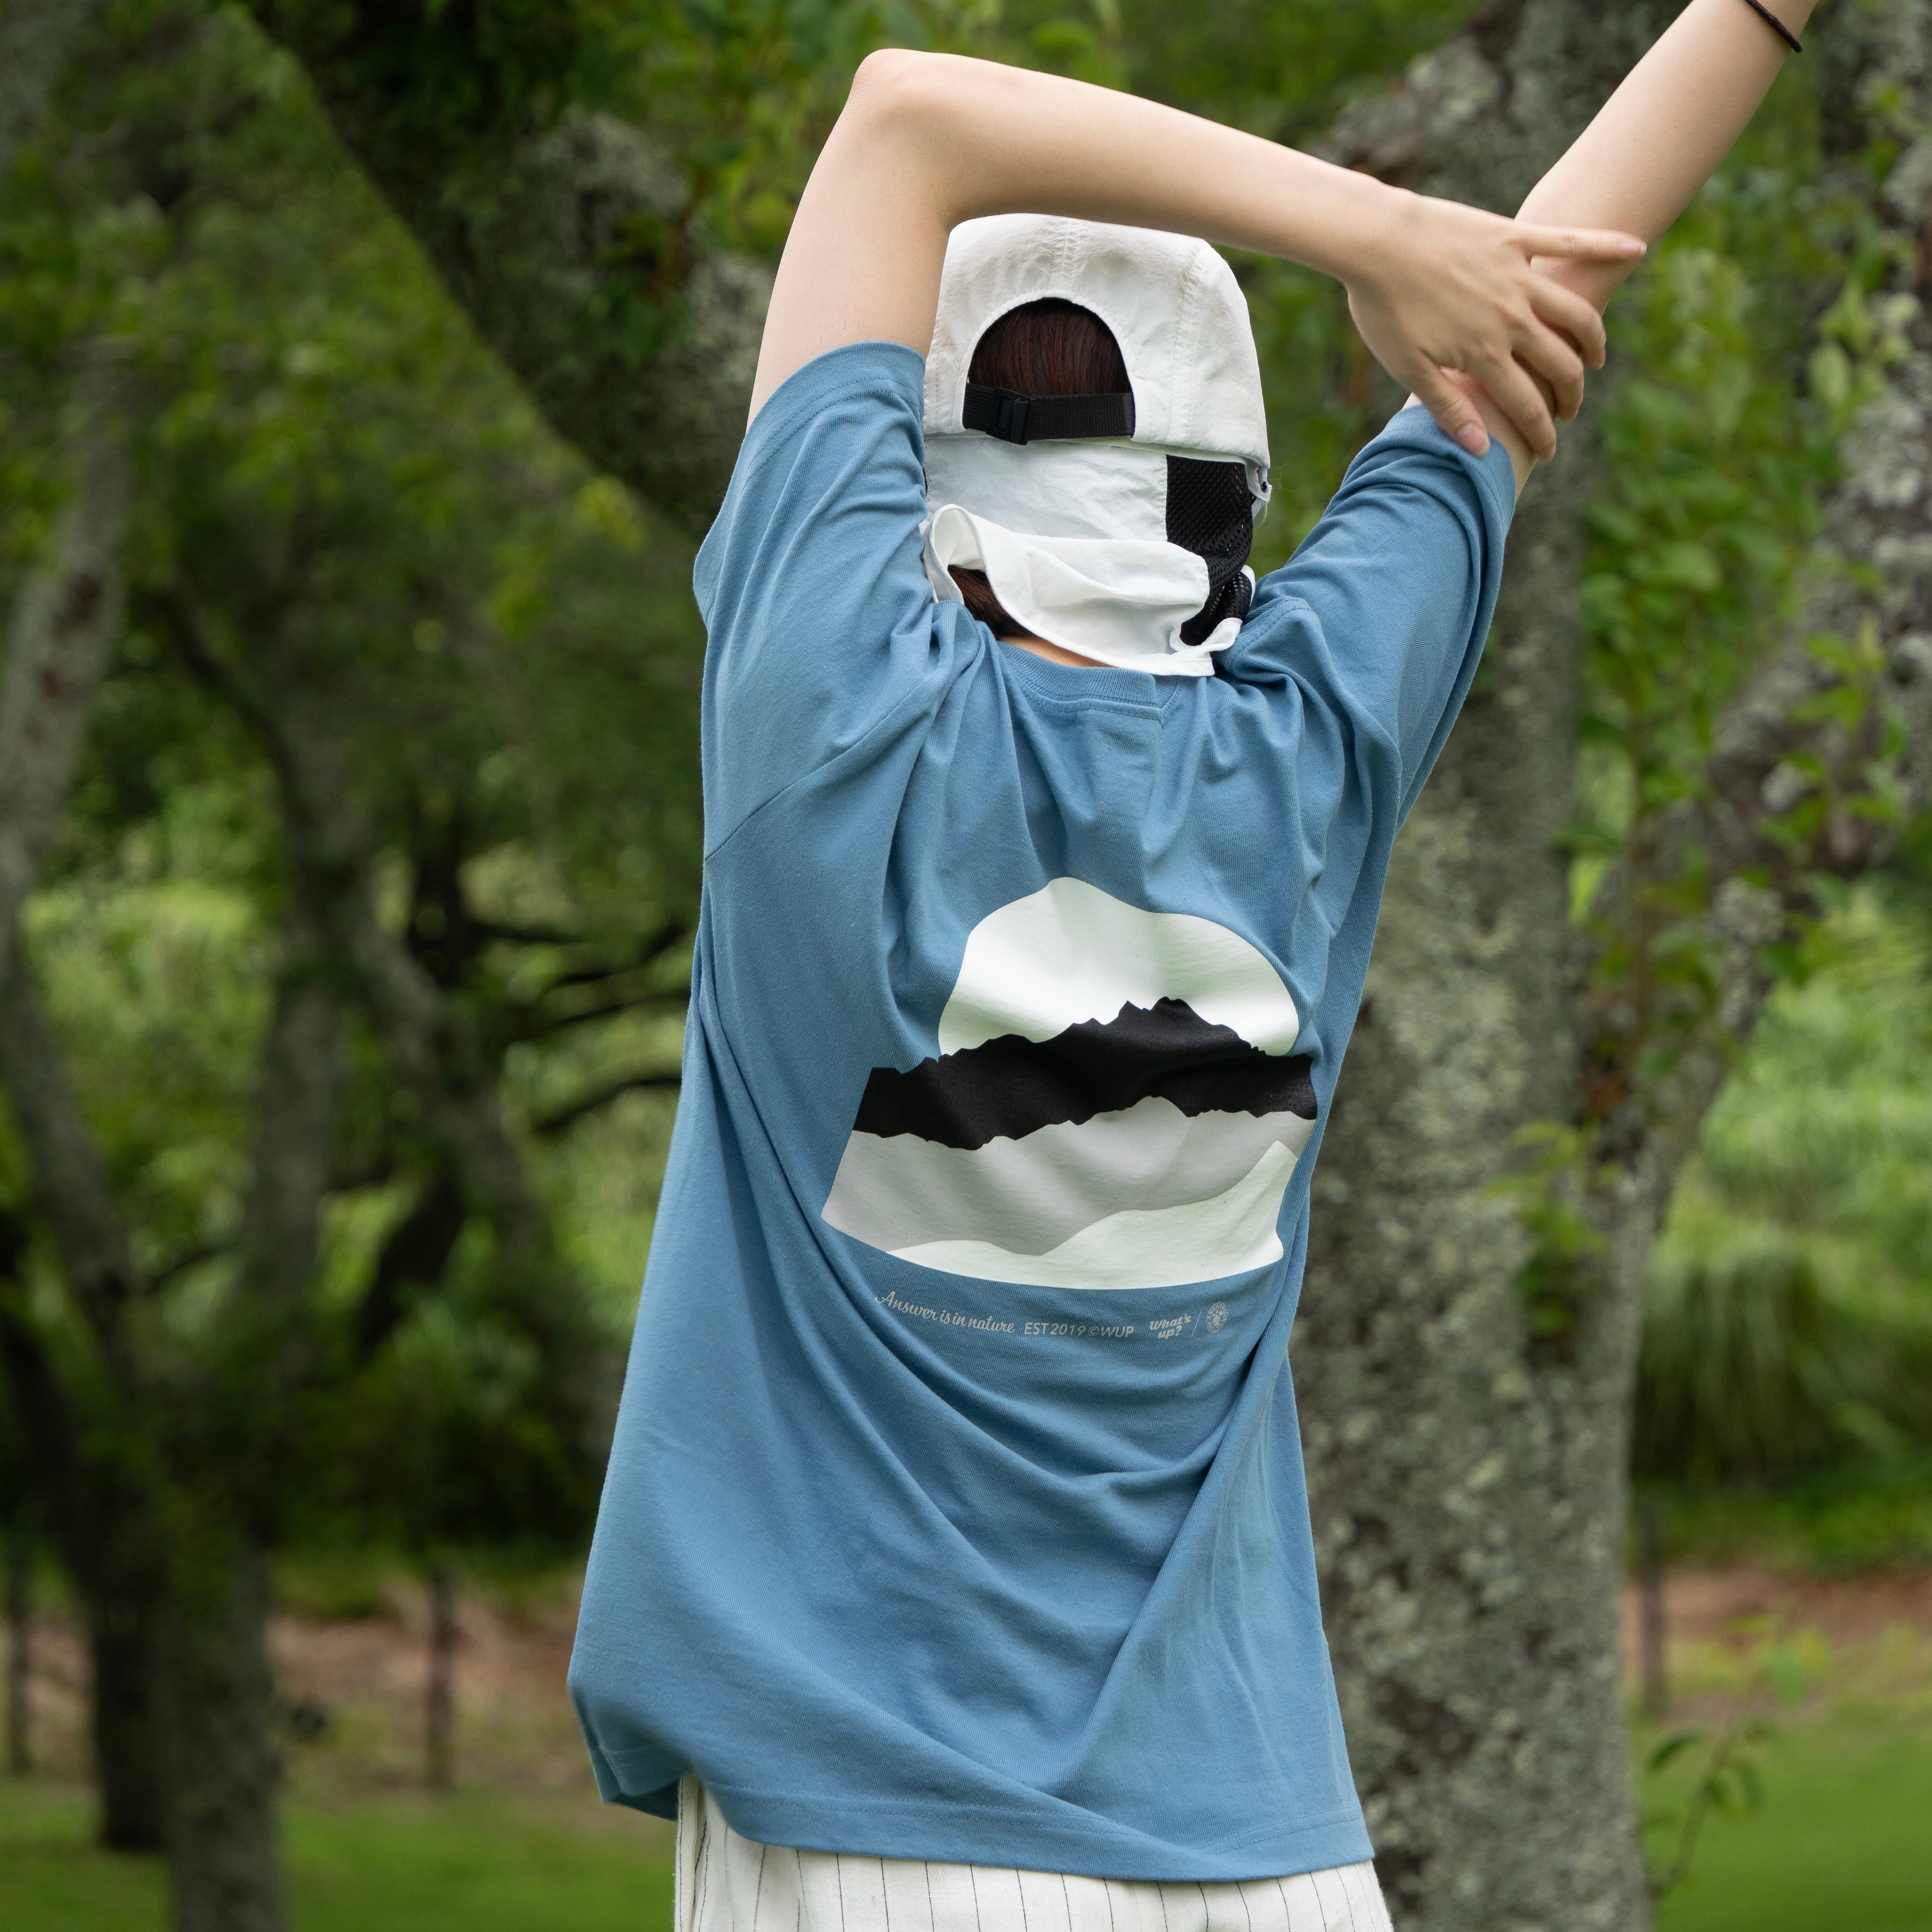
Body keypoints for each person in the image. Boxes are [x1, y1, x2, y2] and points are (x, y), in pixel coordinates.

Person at [569, 4, 1817, 1927]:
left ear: (914, 458)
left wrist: (1375, 233)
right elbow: (1547, 290)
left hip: (865, 1828)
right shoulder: (1308, 754)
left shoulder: (828, 728)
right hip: (1270, 1854)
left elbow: (905, 119)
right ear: (1231, 481)